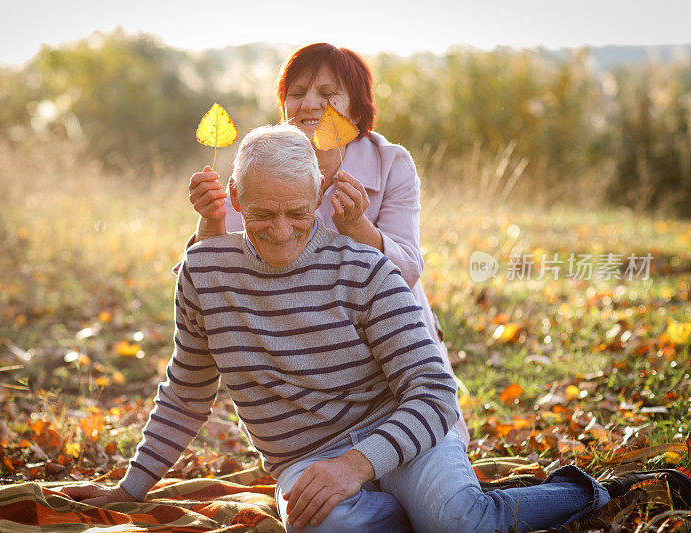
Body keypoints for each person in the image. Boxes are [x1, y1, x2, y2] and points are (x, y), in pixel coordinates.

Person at [63, 124, 633, 532]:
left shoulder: (362, 266)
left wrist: (357, 466)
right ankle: (422, 509)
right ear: (235, 198)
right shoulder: (204, 272)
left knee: (459, 522)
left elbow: (434, 393)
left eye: (298, 213)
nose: (282, 232)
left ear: (317, 199)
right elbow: (188, 390)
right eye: (262, 214)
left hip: (397, 432)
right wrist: (129, 488)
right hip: (302, 458)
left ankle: (581, 491)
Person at [187, 43, 471, 444]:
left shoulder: (391, 163)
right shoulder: (262, 164)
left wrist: (356, 227)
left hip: (389, 334)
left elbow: (408, 269)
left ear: (356, 110)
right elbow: (207, 281)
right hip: (301, 345)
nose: (308, 104)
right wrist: (211, 218)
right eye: (297, 92)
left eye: (327, 93)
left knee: (422, 446)